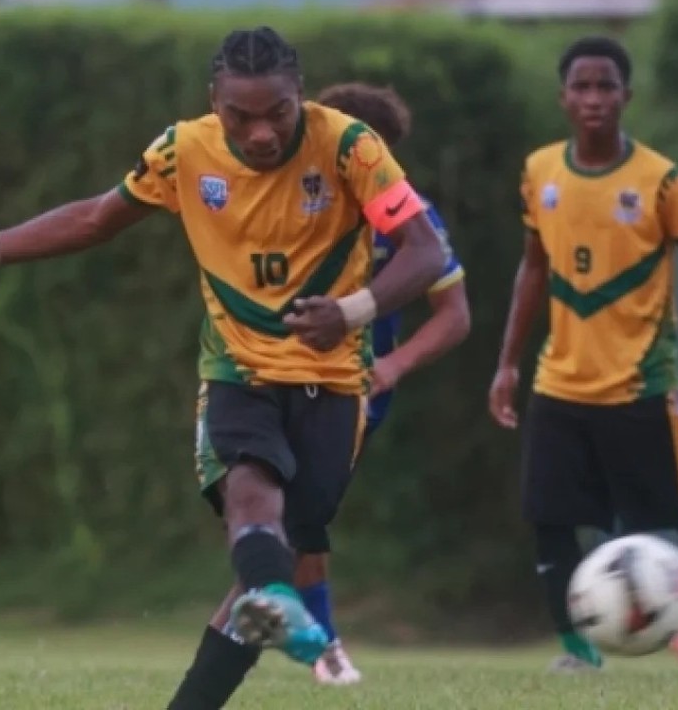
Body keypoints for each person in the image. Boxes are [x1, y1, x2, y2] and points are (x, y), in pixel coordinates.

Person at [0, 26, 447, 709]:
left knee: (274, 560)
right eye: (239, 115)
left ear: (299, 95)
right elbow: (97, 219)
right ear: (212, 100)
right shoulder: (183, 149)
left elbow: (425, 251)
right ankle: (279, 600)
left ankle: (259, 617)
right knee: (251, 496)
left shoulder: (350, 145)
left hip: (334, 381)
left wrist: (353, 310)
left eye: (276, 112)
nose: (261, 132)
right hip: (238, 370)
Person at [488, 35, 678, 674]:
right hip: (560, 385)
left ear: (625, 96)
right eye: (580, 87)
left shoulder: (660, 180)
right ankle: (579, 653)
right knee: (550, 523)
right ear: (563, 99)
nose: (593, 99)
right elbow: (532, 269)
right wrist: (506, 362)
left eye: (605, 86)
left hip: (643, 387)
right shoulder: (539, 172)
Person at [196, 82, 471, 689]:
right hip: (258, 378)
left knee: (292, 525)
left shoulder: (408, 217)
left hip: (349, 389)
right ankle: (315, 640)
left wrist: (393, 366)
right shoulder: (277, 192)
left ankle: (287, 628)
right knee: (275, 522)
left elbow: (455, 314)